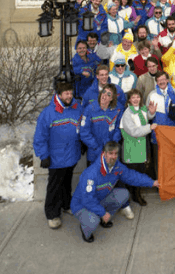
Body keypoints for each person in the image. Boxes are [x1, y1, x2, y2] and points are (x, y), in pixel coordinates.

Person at [70, 141, 157, 243]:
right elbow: (87, 200)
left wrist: (152, 182)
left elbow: (132, 176)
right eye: (110, 153)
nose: (113, 156)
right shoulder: (91, 173)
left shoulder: (116, 166)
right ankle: (86, 230)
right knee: (93, 221)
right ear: (104, 153)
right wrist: (102, 212)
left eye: (116, 153)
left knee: (123, 194)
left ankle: (103, 219)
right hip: (82, 205)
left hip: (99, 199)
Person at [33, 79, 83, 229]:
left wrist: (82, 143)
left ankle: (67, 205)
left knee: (67, 182)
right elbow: (40, 136)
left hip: (72, 155)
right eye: (65, 94)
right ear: (59, 95)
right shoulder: (48, 113)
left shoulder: (77, 108)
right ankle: (52, 214)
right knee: (54, 185)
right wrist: (44, 155)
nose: (69, 96)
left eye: (70, 93)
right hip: (55, 157)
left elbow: (82, 127)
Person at [120, 90, 157, 205]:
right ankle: (134, 195)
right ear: (129, 100)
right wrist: (149, 128)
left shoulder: (142, 109)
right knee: (133, 173)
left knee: (140, 171)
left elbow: (146, 118)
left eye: (138, 97)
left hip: (141, 146)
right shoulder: (127, 113)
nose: (136, 100)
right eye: (133, 98)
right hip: (132, 148)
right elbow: (133, 131)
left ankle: (137, 193)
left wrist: (151, 113)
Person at [80, 83, 122, 162]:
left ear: (112, 98)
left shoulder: (116, 111)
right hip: (94, 153)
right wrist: (96, 147)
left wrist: (112, 145)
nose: (104, 95)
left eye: (108, 94)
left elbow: (117, 129)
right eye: (104, 92)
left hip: (110, 153)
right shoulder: (90, 109)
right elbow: (84, 132)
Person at [72, 37, 100, 103]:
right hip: (78, 94)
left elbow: (97, 70)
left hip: (91, 90)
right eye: (80, 48)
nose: (82, 50)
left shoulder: (91, 59)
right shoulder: (73, 61)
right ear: (76, 50)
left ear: (87, 49)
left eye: (84, 48)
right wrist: (81, 72)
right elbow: (68, 71)